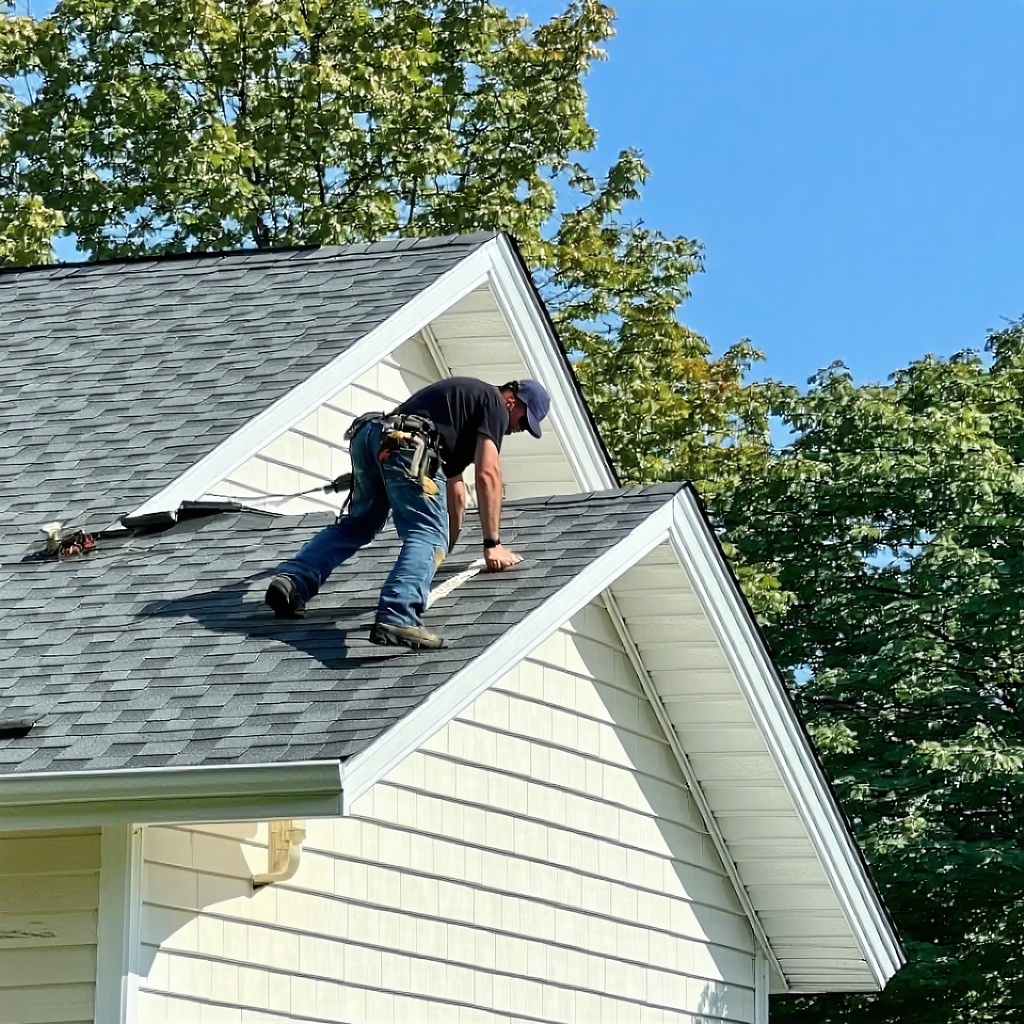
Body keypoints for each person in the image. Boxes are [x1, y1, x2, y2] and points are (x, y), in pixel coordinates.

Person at [264, 377, 551, 649]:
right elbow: (488, 473)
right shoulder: (494, 404)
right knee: (425, 533)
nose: (519, 429)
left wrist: (443, 547)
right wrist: (492, 544)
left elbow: (456, 490)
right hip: (408, 444)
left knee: (360, 524)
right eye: (524, 421)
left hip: (374, 437)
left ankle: (294, 580)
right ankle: (398, 615)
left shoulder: (462, 412)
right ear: (512, 400)